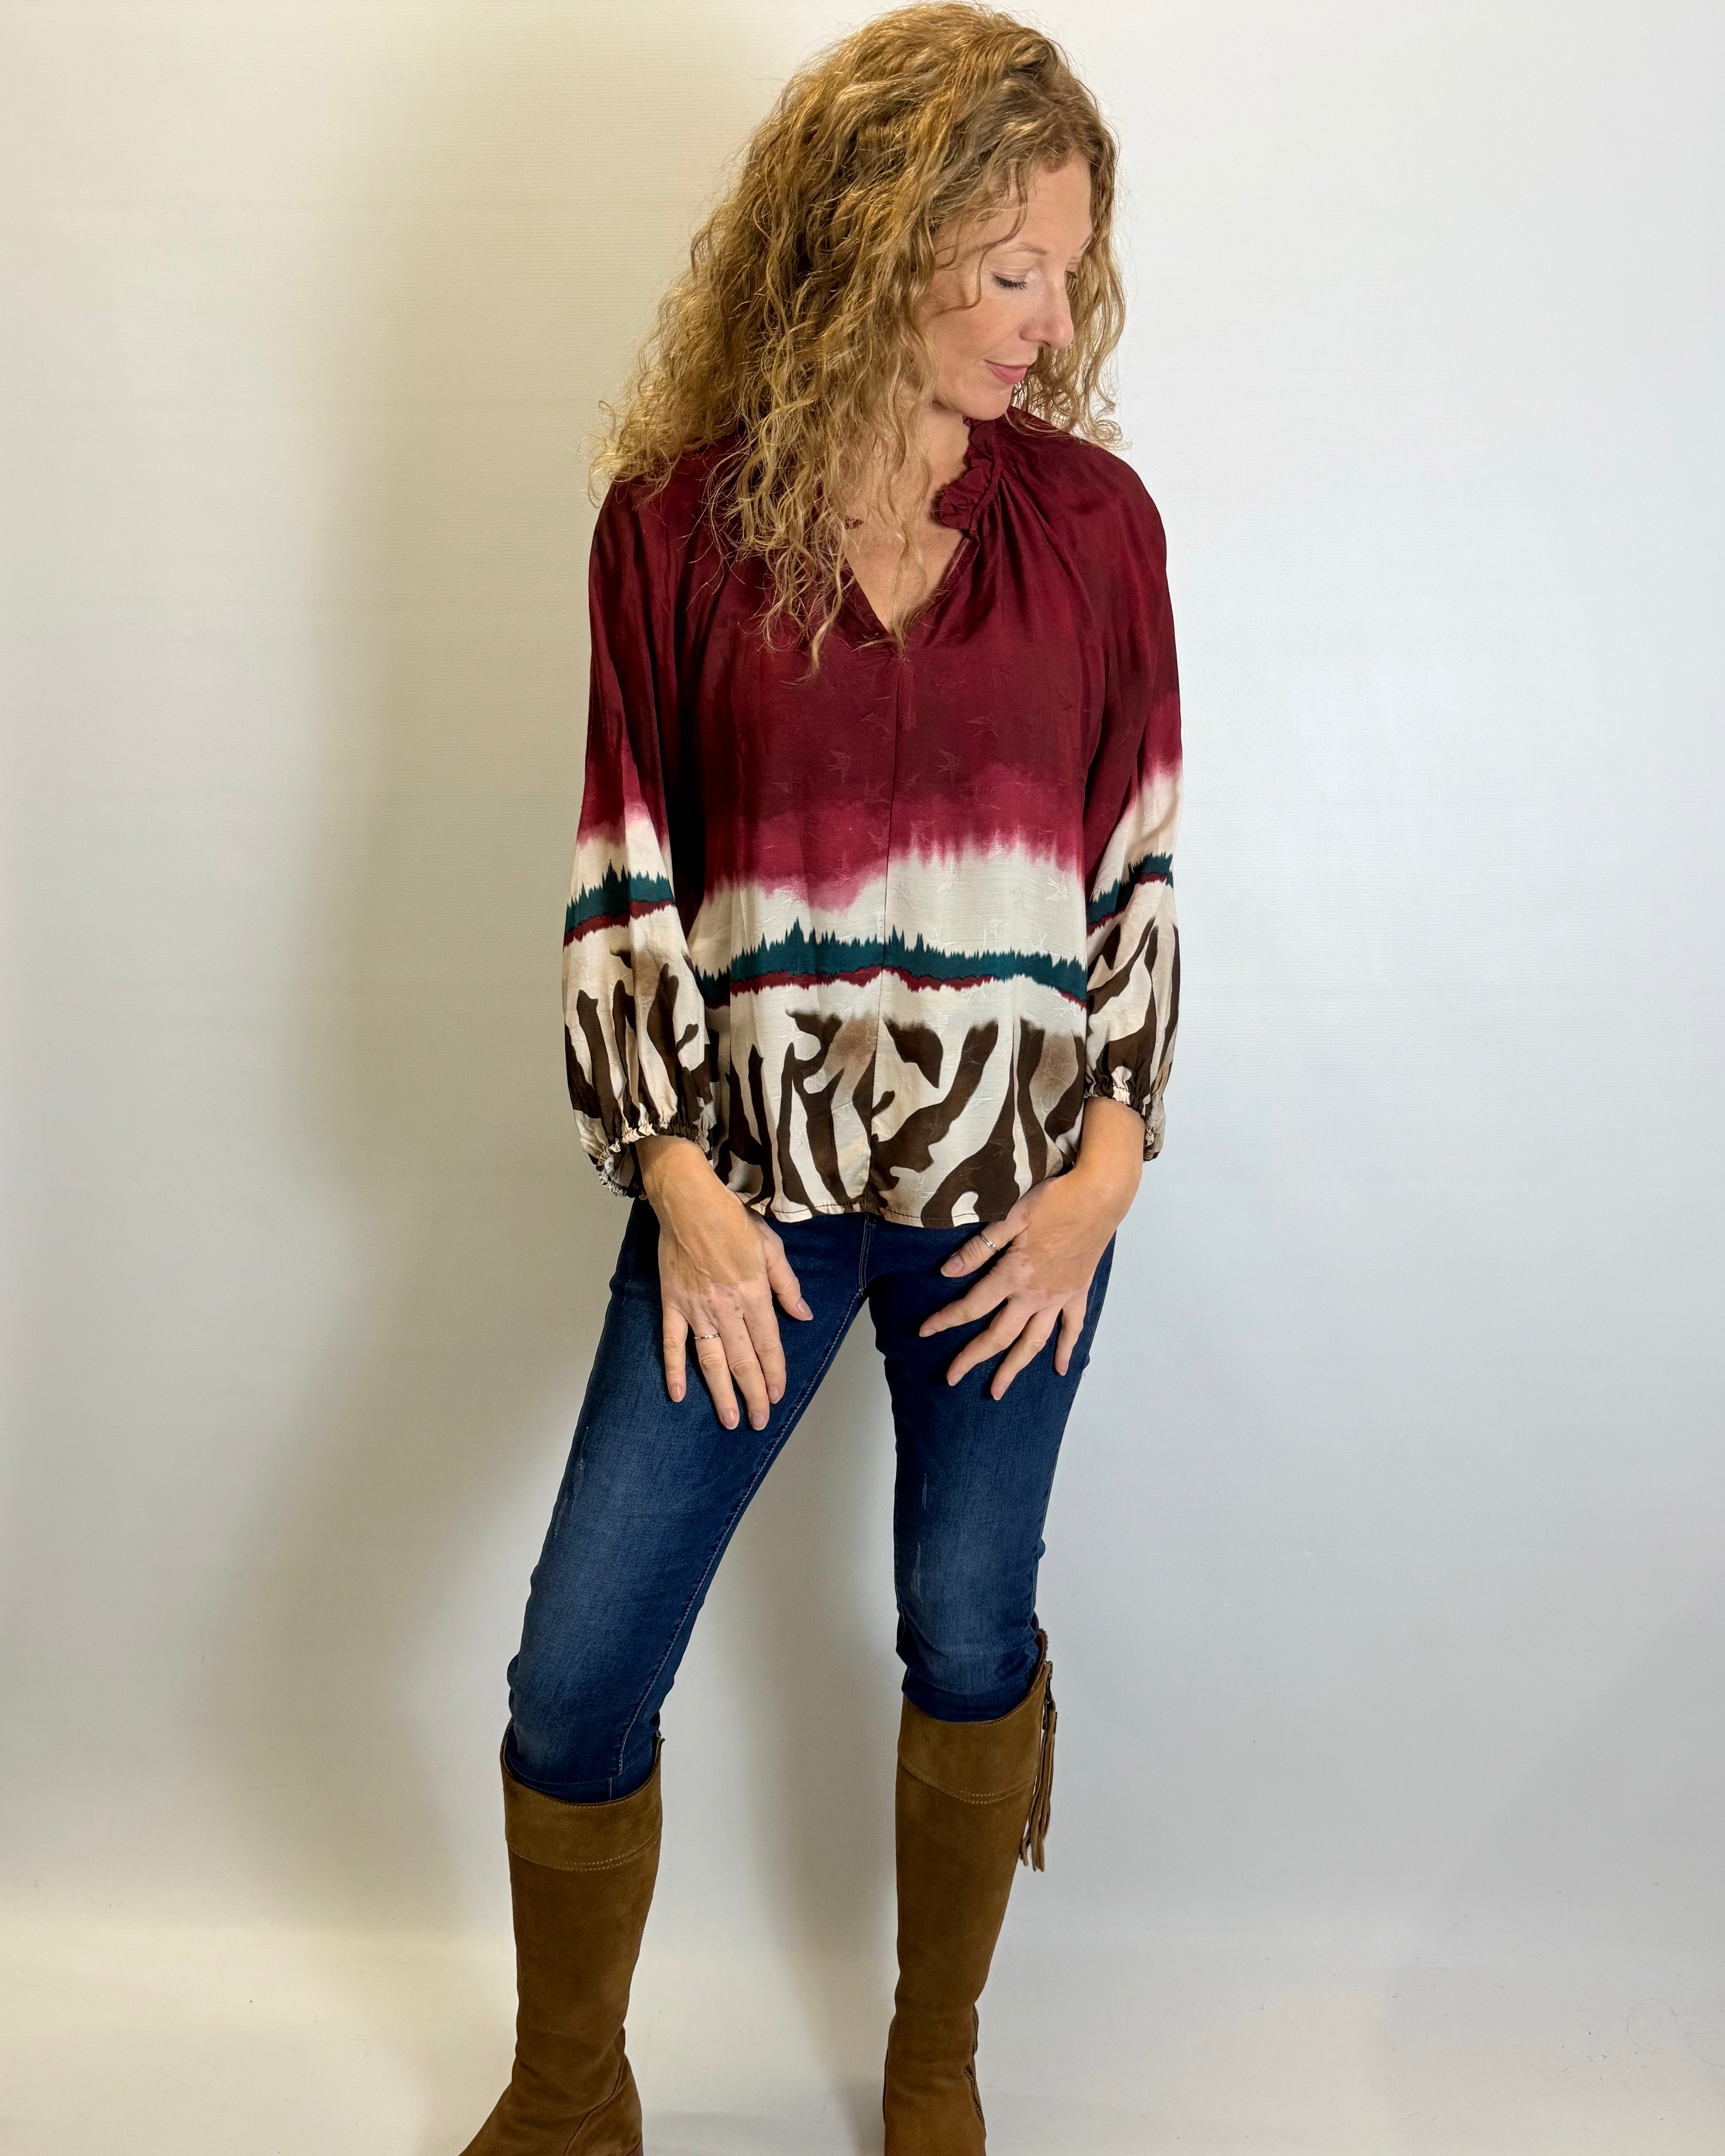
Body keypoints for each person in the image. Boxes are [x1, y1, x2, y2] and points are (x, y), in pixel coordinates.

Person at [458, 7, 1181, 2152]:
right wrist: (676, 1187)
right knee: (579, 1670)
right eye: (1007, 271)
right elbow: (621, 881)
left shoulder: (1097, 531)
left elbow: (1139, 873)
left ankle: (933, 2061)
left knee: (967, 1635)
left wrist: (1105, 1172)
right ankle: (568, 2091)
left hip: (1018, 1209)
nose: (1052, 325)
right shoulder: (668, 530)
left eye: (1068, 268)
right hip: (740, 1202)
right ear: (873, 245)